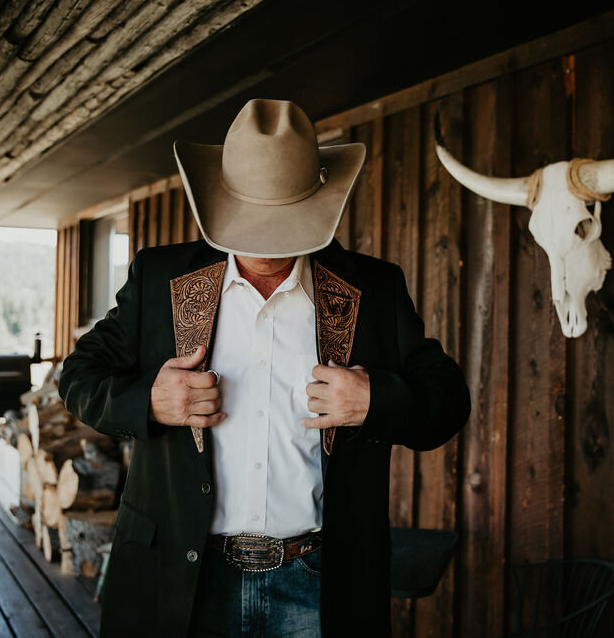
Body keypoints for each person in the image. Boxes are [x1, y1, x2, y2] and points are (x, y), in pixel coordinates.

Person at [59, 98, 470, 637]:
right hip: (183, 579)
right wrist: (149, 403)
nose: (268, 244)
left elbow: (448, 402)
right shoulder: (160, 279)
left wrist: (375, 400)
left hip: (321, 581)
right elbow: (78, 376)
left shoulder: (374, 288)